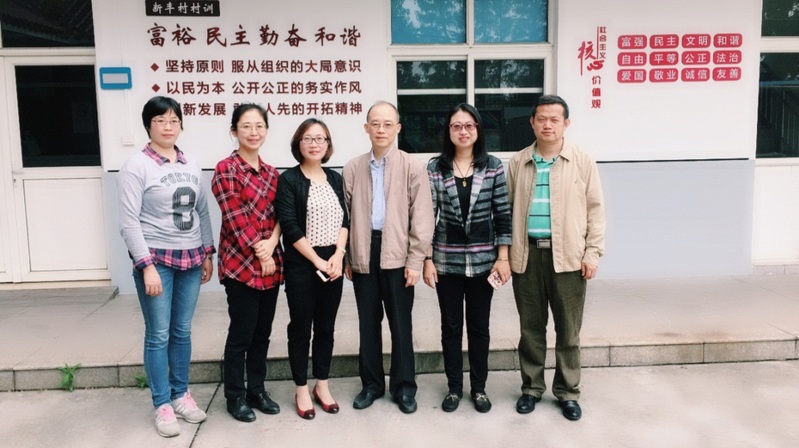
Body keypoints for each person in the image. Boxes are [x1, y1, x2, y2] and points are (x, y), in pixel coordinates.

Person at [118, 95, 215, 438]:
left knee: (182, 330)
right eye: (160, 120)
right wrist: (145, 265)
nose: (168, 126)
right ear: (149, 126)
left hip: (191, 260)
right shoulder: (136, 166)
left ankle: (180, 395)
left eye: (174, 120)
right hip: (156, 260)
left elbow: (202, 211)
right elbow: (129, 222)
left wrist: (207, 252)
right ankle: (161, 403)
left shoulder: (191, 163)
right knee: (158, 333)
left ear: (181, 125)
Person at [507, 95, 605, 421]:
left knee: (568, 331)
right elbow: (506, 211)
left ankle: (567, 392)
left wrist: (592, 252)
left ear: (566, 123)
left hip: (569, 259)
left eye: (554, 119)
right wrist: (505, 255)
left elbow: (596, 210)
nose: (547, 125)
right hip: (527, 256)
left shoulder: (582, 161)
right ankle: (531, 388)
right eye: (541, 119)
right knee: (531, 330)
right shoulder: (518, 162)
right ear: (532, 122)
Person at [343, 101, 434, 414]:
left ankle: (404, 387)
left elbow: (422, 217)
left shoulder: (412, 166)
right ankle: (371, 385)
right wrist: (348, 257)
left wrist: (415, 260)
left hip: (398, 252)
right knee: (368, 324)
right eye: (375, 124)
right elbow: (346, 217)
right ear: (366, 128)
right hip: (363, 252)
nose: (380, 129)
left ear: (398, 128)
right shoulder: (353, 167)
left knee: (400, 324)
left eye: (387, 124)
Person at [422, 103, 512, 413]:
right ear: (448, 131)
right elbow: (427, 217)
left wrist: (503, 257)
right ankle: (454, 388)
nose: (463, 131)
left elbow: (502, 214)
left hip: (483, 261)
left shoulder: (493, 166)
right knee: (450, 327)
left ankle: (479, 388)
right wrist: (427, 259)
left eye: (469, 125)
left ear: (478, 129)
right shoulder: (436, 168)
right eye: (456, 126)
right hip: (446, 261)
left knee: (479, 327)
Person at [211, 103, 283, 423]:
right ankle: (235, 396)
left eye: (259, 126)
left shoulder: (272, 173)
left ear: (266, 130)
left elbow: (282, 215)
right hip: (240, 265)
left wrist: (272, 245)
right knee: (241, 333)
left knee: (262, 333)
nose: (253, 132)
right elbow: (235, 217)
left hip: (270, 264)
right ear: (234, 131)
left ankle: (257, 389)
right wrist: (262, 251)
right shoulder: (225, 169)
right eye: (246, 126)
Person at [276, 118, 349, 420]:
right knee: (301, 328)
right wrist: (316, 260)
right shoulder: (289, 179)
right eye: (308, 138)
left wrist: (339, 255)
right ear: (298, 144)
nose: (314, 144)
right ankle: (302, 388)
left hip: (333, 263)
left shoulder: (335, 178)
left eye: (320, 139)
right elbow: (289, 225)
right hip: (302, 265)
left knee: (326, 327)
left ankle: (322, 384)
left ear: (328, 145)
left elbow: (346, 219)